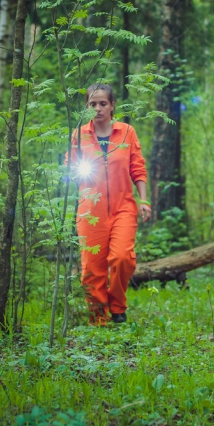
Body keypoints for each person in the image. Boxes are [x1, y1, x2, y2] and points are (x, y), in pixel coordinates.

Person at [67, 83, 151, 325]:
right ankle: (97, 319)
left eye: (103, 103)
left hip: (123, 206)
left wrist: (143, 200)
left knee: (123, 258)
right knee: (92, 268)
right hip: (89, 209)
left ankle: (117, 305)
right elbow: (69, 167)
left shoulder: (127, 132)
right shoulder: (78, 135)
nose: (98, 108)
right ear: (86, 107)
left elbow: (138, 168)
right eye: (92, 104)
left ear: (112, 105)